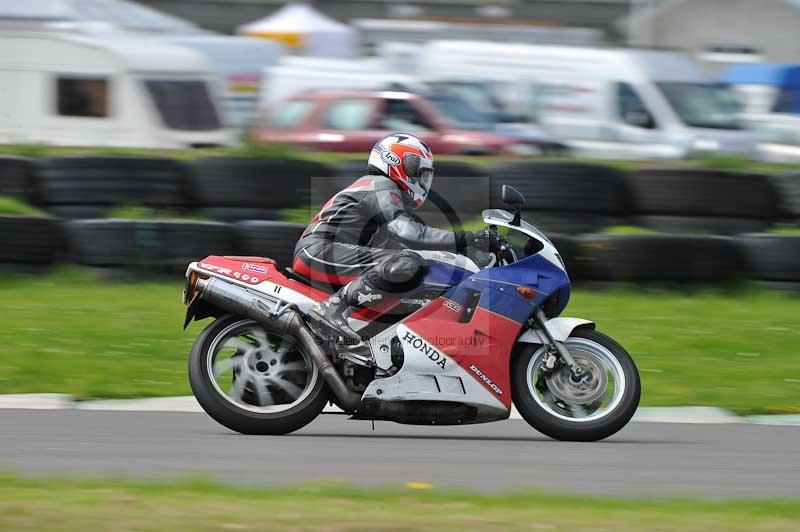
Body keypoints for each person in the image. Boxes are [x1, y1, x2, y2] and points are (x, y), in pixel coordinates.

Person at [291, 133, 495, 343]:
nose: (421, 179)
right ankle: (332, 308)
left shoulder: (387, 198)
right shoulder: (380, 184)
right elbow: (409, 233)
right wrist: (469, 238)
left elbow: (410, 245)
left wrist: (464, 253)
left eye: (425, 175)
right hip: (318, 250)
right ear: (394, 161)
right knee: (407, 263)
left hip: (331, 254)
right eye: (417, 170)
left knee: (410, 268)